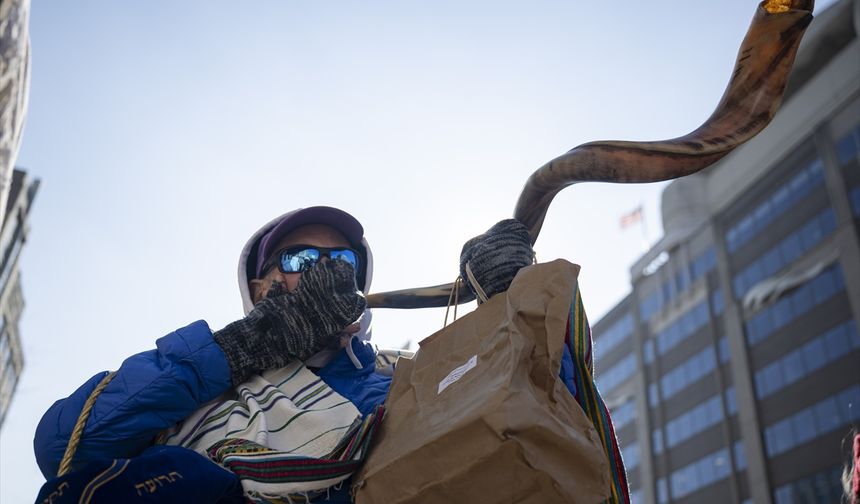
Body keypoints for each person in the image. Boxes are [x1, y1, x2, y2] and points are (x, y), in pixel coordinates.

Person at [33, 206, 540, 502]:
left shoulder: (404, 376)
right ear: (259, 289)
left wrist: (515, 298)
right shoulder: (203, 381)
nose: (321, 268)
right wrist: (246, 345)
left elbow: (531, 436)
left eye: (339, 259)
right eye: (298, 258)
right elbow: (63, 447)